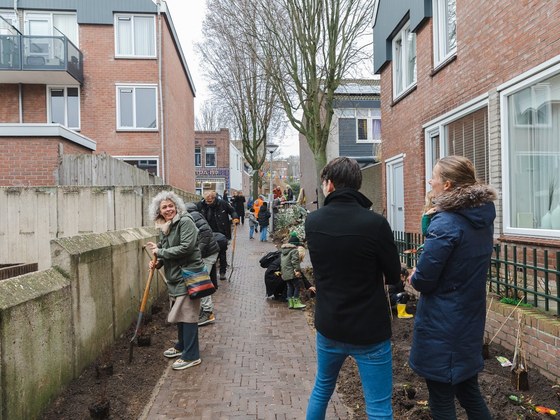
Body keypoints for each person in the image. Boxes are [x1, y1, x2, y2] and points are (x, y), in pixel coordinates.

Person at [305, 157, 401, 419]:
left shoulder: (313, 222)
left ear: (330, 184)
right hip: (369, 330)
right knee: (379, 406)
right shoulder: (375, 224)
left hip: (330, 324)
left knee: (322, 388)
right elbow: (393, 275)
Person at [408, 155, 497, 420]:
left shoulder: (447, 223)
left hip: (443, 325)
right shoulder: (480, 218)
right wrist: (431, 224)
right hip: (469, 316)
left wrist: (414, 276)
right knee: (469, 391)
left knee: (442, 399)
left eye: (434, 176)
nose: (430, 181)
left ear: (447, 185)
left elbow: (425, 279)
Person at [145, 191, 203, 370]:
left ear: (176, 206)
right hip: (176, 278)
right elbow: (165, 249)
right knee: (180, 315)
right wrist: (158, 262)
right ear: (159, 211)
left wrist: (160, 253)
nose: (168, 209)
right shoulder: (166, 226)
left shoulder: (185, 222)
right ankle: (182, 345)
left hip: (188, 276)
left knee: (188, 315)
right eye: (164, 207)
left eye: (171, 205)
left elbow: (186, 248)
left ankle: (192, 355)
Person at [184, 202, 220, 326]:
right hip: (209, 252)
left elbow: (205, 235)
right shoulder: (194, 215)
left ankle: (207, 312)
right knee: (201, 280)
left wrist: (197, 254)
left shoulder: (192, 216)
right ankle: (205, 310)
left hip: (208, 254)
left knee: (200, 281)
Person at [197, 191, 239, 280]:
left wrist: (235, 217)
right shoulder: (201, 204)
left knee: (222, 253)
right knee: (209, 253)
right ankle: (211, 274)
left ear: (213, 198)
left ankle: (222, 272)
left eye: (209, 202)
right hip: (208, 233)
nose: (207, 203)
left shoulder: (222, 203)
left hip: (222, 232)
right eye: (206, 201)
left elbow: (232, 210)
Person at [280, 233, 306, 309]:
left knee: (290, 287)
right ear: (296, 244)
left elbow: (282, 263)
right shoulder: (294, 251)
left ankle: (290, 303)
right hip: (292, 272)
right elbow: (295, 261)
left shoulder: (283, 251)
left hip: (285, 273)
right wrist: (297, 270)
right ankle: (296, 303)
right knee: (297, 286)